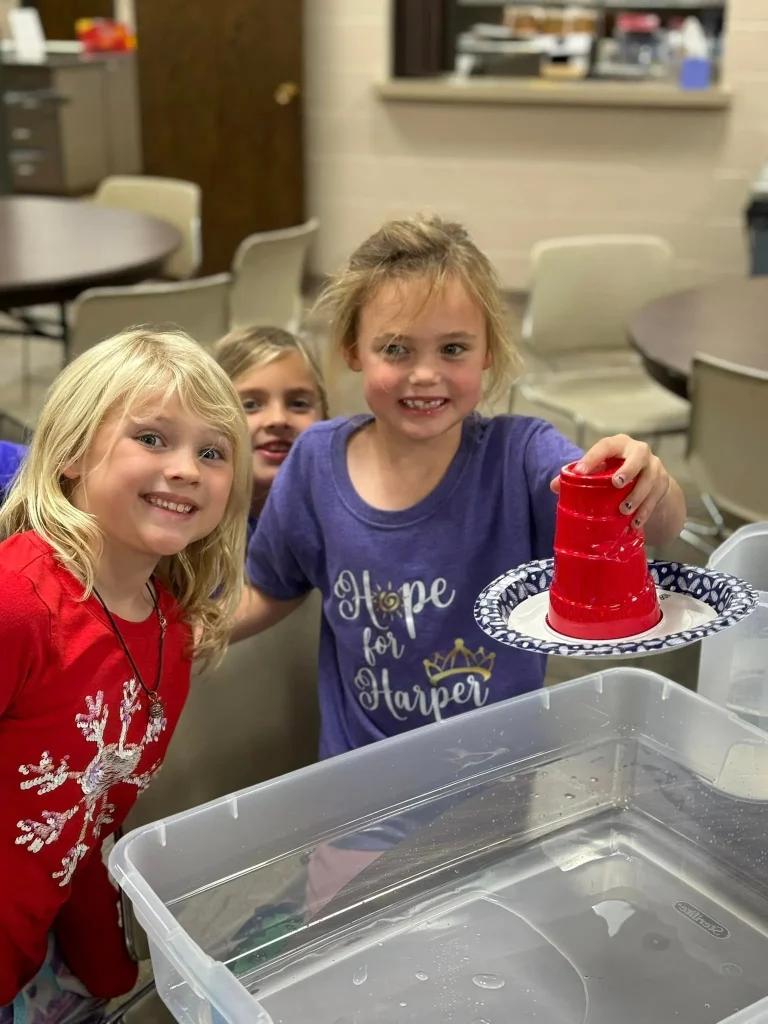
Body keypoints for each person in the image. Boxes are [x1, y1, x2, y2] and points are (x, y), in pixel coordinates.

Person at [234, 214, 687, 762]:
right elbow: (268, 589)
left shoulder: (523, 456)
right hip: (358, 784)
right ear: (353, 348)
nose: (426, 375)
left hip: (495, 782)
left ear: (488, 350)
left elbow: (657, 528)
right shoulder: (314, 463)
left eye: (453, 349)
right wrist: (170, 639)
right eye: (397, 349)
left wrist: (650, 484)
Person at [0, 329, 252, 1024]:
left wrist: (103, 957)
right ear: (74, 452)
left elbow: (88, 815)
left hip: (32, 952)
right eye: (153, 438)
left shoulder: (169, 633)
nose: (186, 469)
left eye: (212, 451)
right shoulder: (16, 604)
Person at [211, 326, 328, 544]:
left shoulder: (339, 527)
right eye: (251, 405)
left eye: (298, 404)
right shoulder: (189, 530)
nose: (278, 419)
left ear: (325, 418)